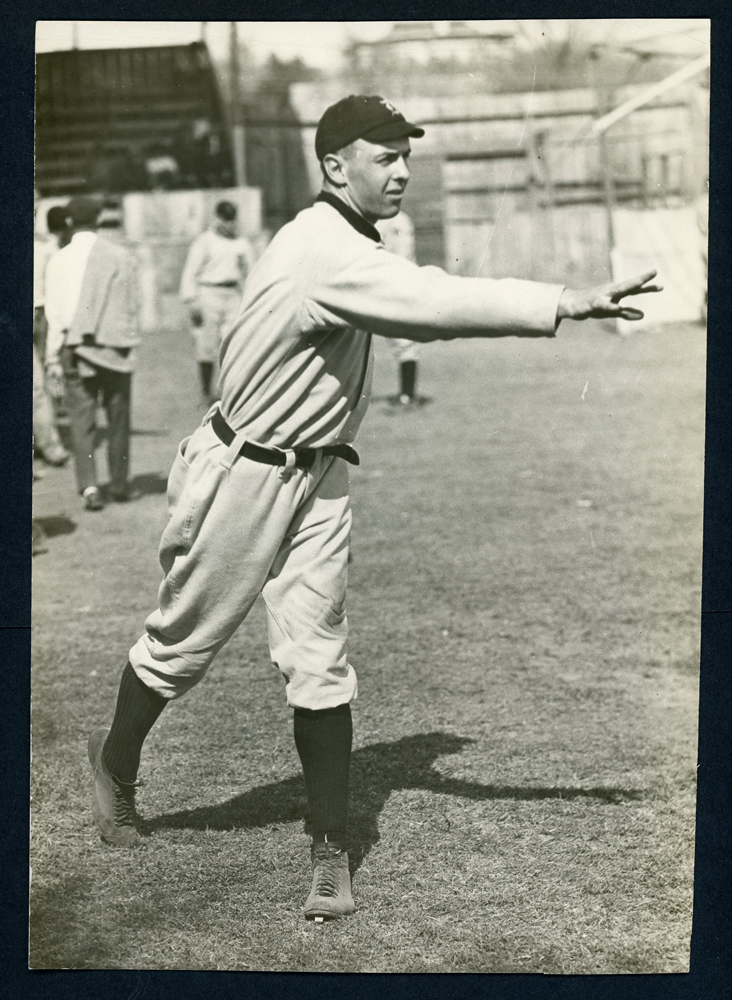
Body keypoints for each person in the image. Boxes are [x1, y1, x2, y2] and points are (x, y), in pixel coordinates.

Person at [87, 95, 660, 921]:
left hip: (317, 475)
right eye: (382, 157)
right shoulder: (322, 248)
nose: (399, 171)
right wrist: (562, 300)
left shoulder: (351, 238)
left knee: (318, 661)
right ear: (333, 167)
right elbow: (432, 305)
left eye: (405, 157)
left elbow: (416, 297)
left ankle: (330, 848)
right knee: (179, 647)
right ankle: (115, 765)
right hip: (240, 472)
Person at [45, 196, 141, 512]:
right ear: (99, 218)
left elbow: (55, 314)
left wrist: (52, 356)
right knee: (118, 417)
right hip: (113, 346)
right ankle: (120, 483)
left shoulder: (59, 259)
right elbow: (132, 305)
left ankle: (89, 487)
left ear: (70, 221)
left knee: (81, 422)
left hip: (75, 347)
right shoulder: (121, 256)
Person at [179, 200, 255, 405]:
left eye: (232, 220)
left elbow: (251, 272)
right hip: (208, 292)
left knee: (233, 344)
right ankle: (205, 392)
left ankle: (231, 393)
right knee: (206, 344)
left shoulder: (241, 243)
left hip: (232, 293)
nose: (229, 225)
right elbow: (190, 272)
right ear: (217, 218)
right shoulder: (205, 241)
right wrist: (191, 300)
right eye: (225, 220)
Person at [32, 203, 70, 468]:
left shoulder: (44, 246)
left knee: (39, 383)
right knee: (36, 386)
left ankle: (48, 444)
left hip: (39, 315)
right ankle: (49, 445)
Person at [376, 211, 421, 405]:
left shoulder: (397, 220)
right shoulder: (385, 219)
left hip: (398, 281)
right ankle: (407, 393)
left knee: (405, 341)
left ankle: (407, 394)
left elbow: (404, 253)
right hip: (391, 280)